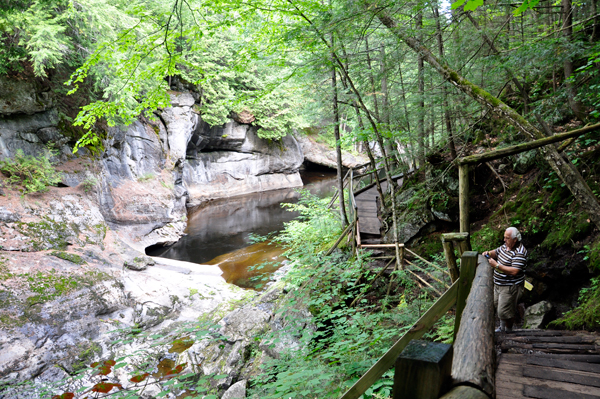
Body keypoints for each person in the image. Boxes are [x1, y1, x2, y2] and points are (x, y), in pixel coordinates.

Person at [482, 227, 527, 333]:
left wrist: (496, 265)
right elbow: (496, 252)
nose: (504, 240)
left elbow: (514, 271)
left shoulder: (520, 252)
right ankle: (502, 328)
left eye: (507, 238)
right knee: (499, 307)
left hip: (510, 287)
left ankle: (508, 331)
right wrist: (488, 253)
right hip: (498, 284)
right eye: (504, 237)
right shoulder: (505, 246)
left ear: (515, 239)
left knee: (504, 311)